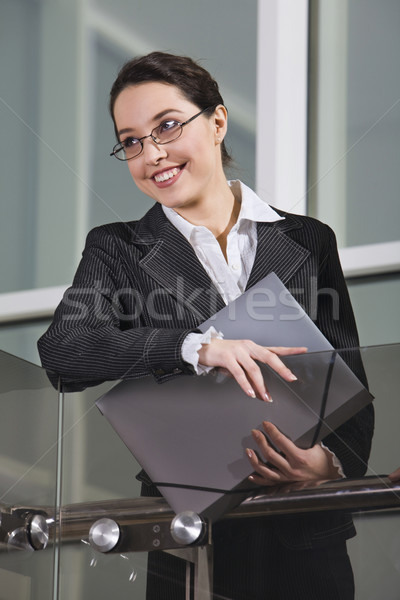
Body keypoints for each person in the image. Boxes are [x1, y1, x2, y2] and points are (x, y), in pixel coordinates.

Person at [38, 51, 374, 600]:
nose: (152, 154)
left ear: (217, 122)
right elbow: (63, 354)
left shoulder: (310, 240)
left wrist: (328, 465)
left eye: (167, 126)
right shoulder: (118, 248)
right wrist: (194, 347)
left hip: (304, 530)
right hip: (190, 535)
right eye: (131, 141)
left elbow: (351, 383)